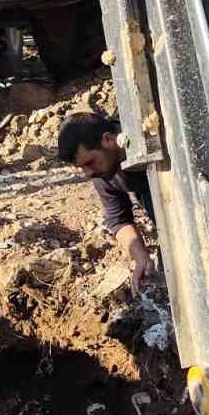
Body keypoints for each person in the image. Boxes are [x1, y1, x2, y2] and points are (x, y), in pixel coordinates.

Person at [57, 112, 152, 292]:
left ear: (108, 139)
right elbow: (119, 220)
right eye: (81, 167)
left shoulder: (148, 131)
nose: (87, 174)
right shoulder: (102, 173)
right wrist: (141, 257)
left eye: (89, 162)